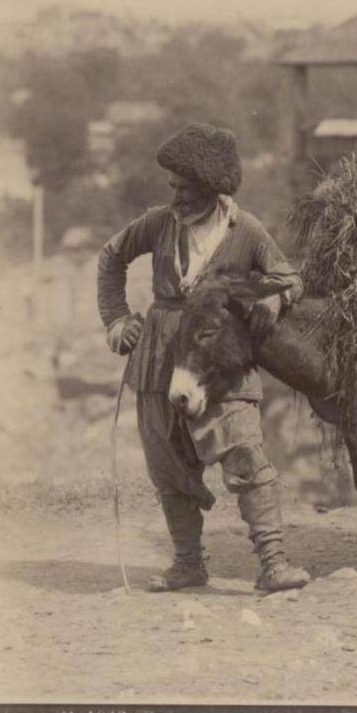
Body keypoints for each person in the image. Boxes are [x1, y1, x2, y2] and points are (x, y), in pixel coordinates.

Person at [97, 122, 310, 593]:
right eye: (171, 186)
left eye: (186, 189)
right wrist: (116, 320)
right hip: (157, 359)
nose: (176, 197)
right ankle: (188, 563)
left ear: (212, 189)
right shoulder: (157, 223)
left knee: (245, 453)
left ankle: (273, 563)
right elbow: (111, 257)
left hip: (220, 364)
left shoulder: (246, 230)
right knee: (168, 462)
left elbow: (289, 276)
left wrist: (275, 301)